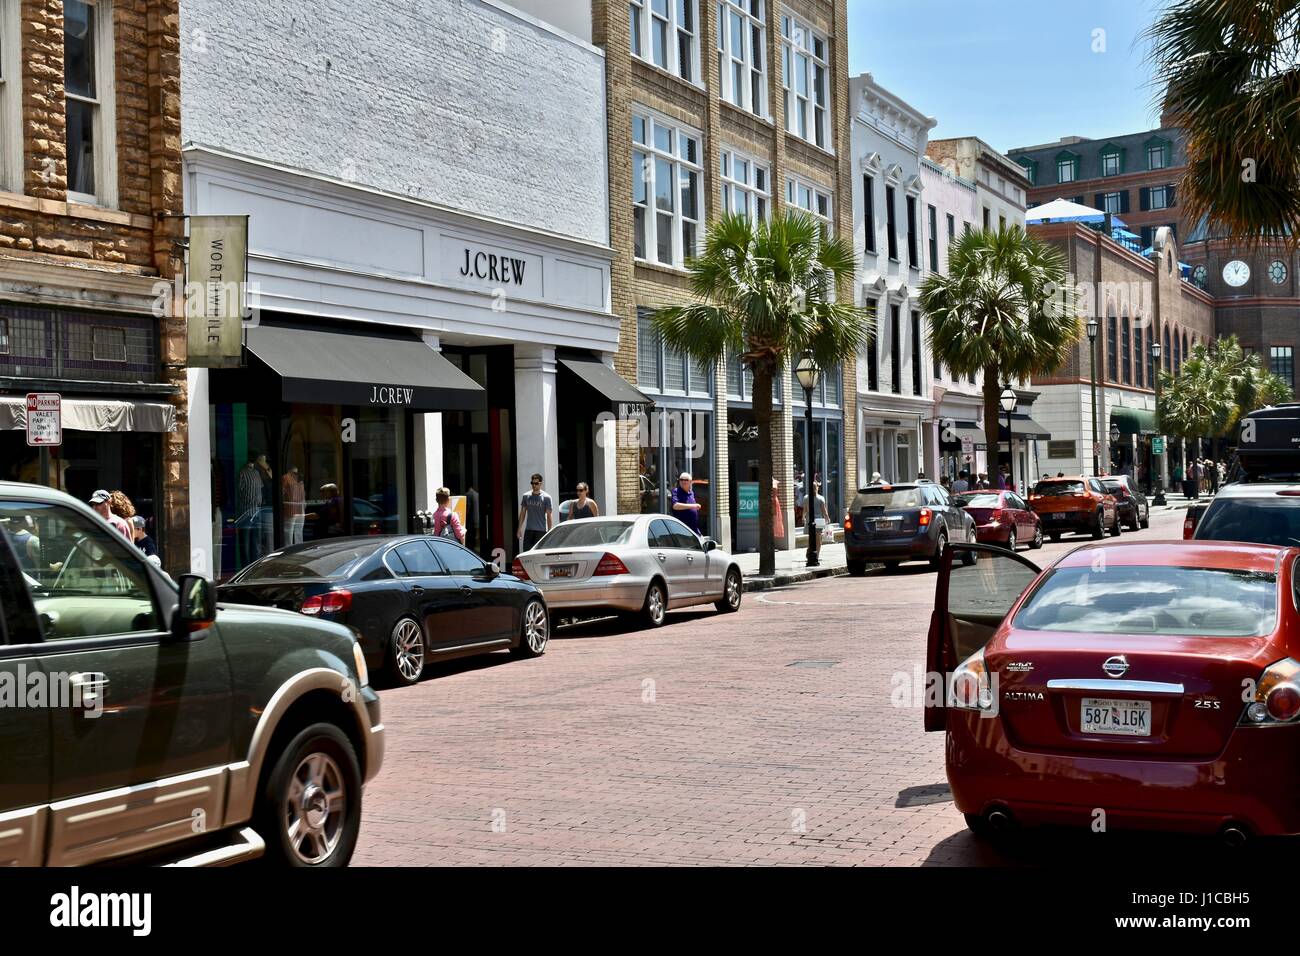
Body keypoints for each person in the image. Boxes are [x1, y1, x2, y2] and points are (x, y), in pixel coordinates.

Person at [517, 473, 553, 552]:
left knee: (538, 553)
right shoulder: (526, 496)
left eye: (536, 483)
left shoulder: (546, 497)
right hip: (529, 530)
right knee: (526, 553)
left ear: (540, 483)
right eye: (532, 483)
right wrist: (519, 529)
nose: (534, 485)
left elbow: (549, 516)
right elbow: (523, 513)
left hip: (541, 531)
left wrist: (550, 532)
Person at [800, 480, 829, 560]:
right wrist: (827, 518)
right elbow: (824, 510)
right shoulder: (821, 498)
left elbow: (805, 510)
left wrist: (803, 517)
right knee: (818, 539)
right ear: (817, 488)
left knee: (811, 538)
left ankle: (809, 551)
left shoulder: (806, 497)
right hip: (819, 520)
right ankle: (817, 555)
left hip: (810, 520)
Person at [282, 465, 305, 545]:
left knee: (293, 532)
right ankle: (292, 550)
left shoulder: (298, 479)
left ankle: (294, 549)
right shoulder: (286, 478)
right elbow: (282, 493)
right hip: (293, 509)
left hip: (296, 509)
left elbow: (302, 494)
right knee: (292, 532)